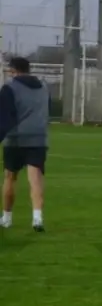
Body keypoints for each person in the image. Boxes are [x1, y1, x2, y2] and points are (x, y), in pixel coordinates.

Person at [0, 57, 50, 232]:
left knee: (10, 177)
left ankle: (6, 218)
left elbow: (6, 116)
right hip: (39, 137)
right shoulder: (43, 87)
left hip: (15, 139)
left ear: (13, 70)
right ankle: (37, 218)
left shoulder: (9, 88)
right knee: (35, 178)